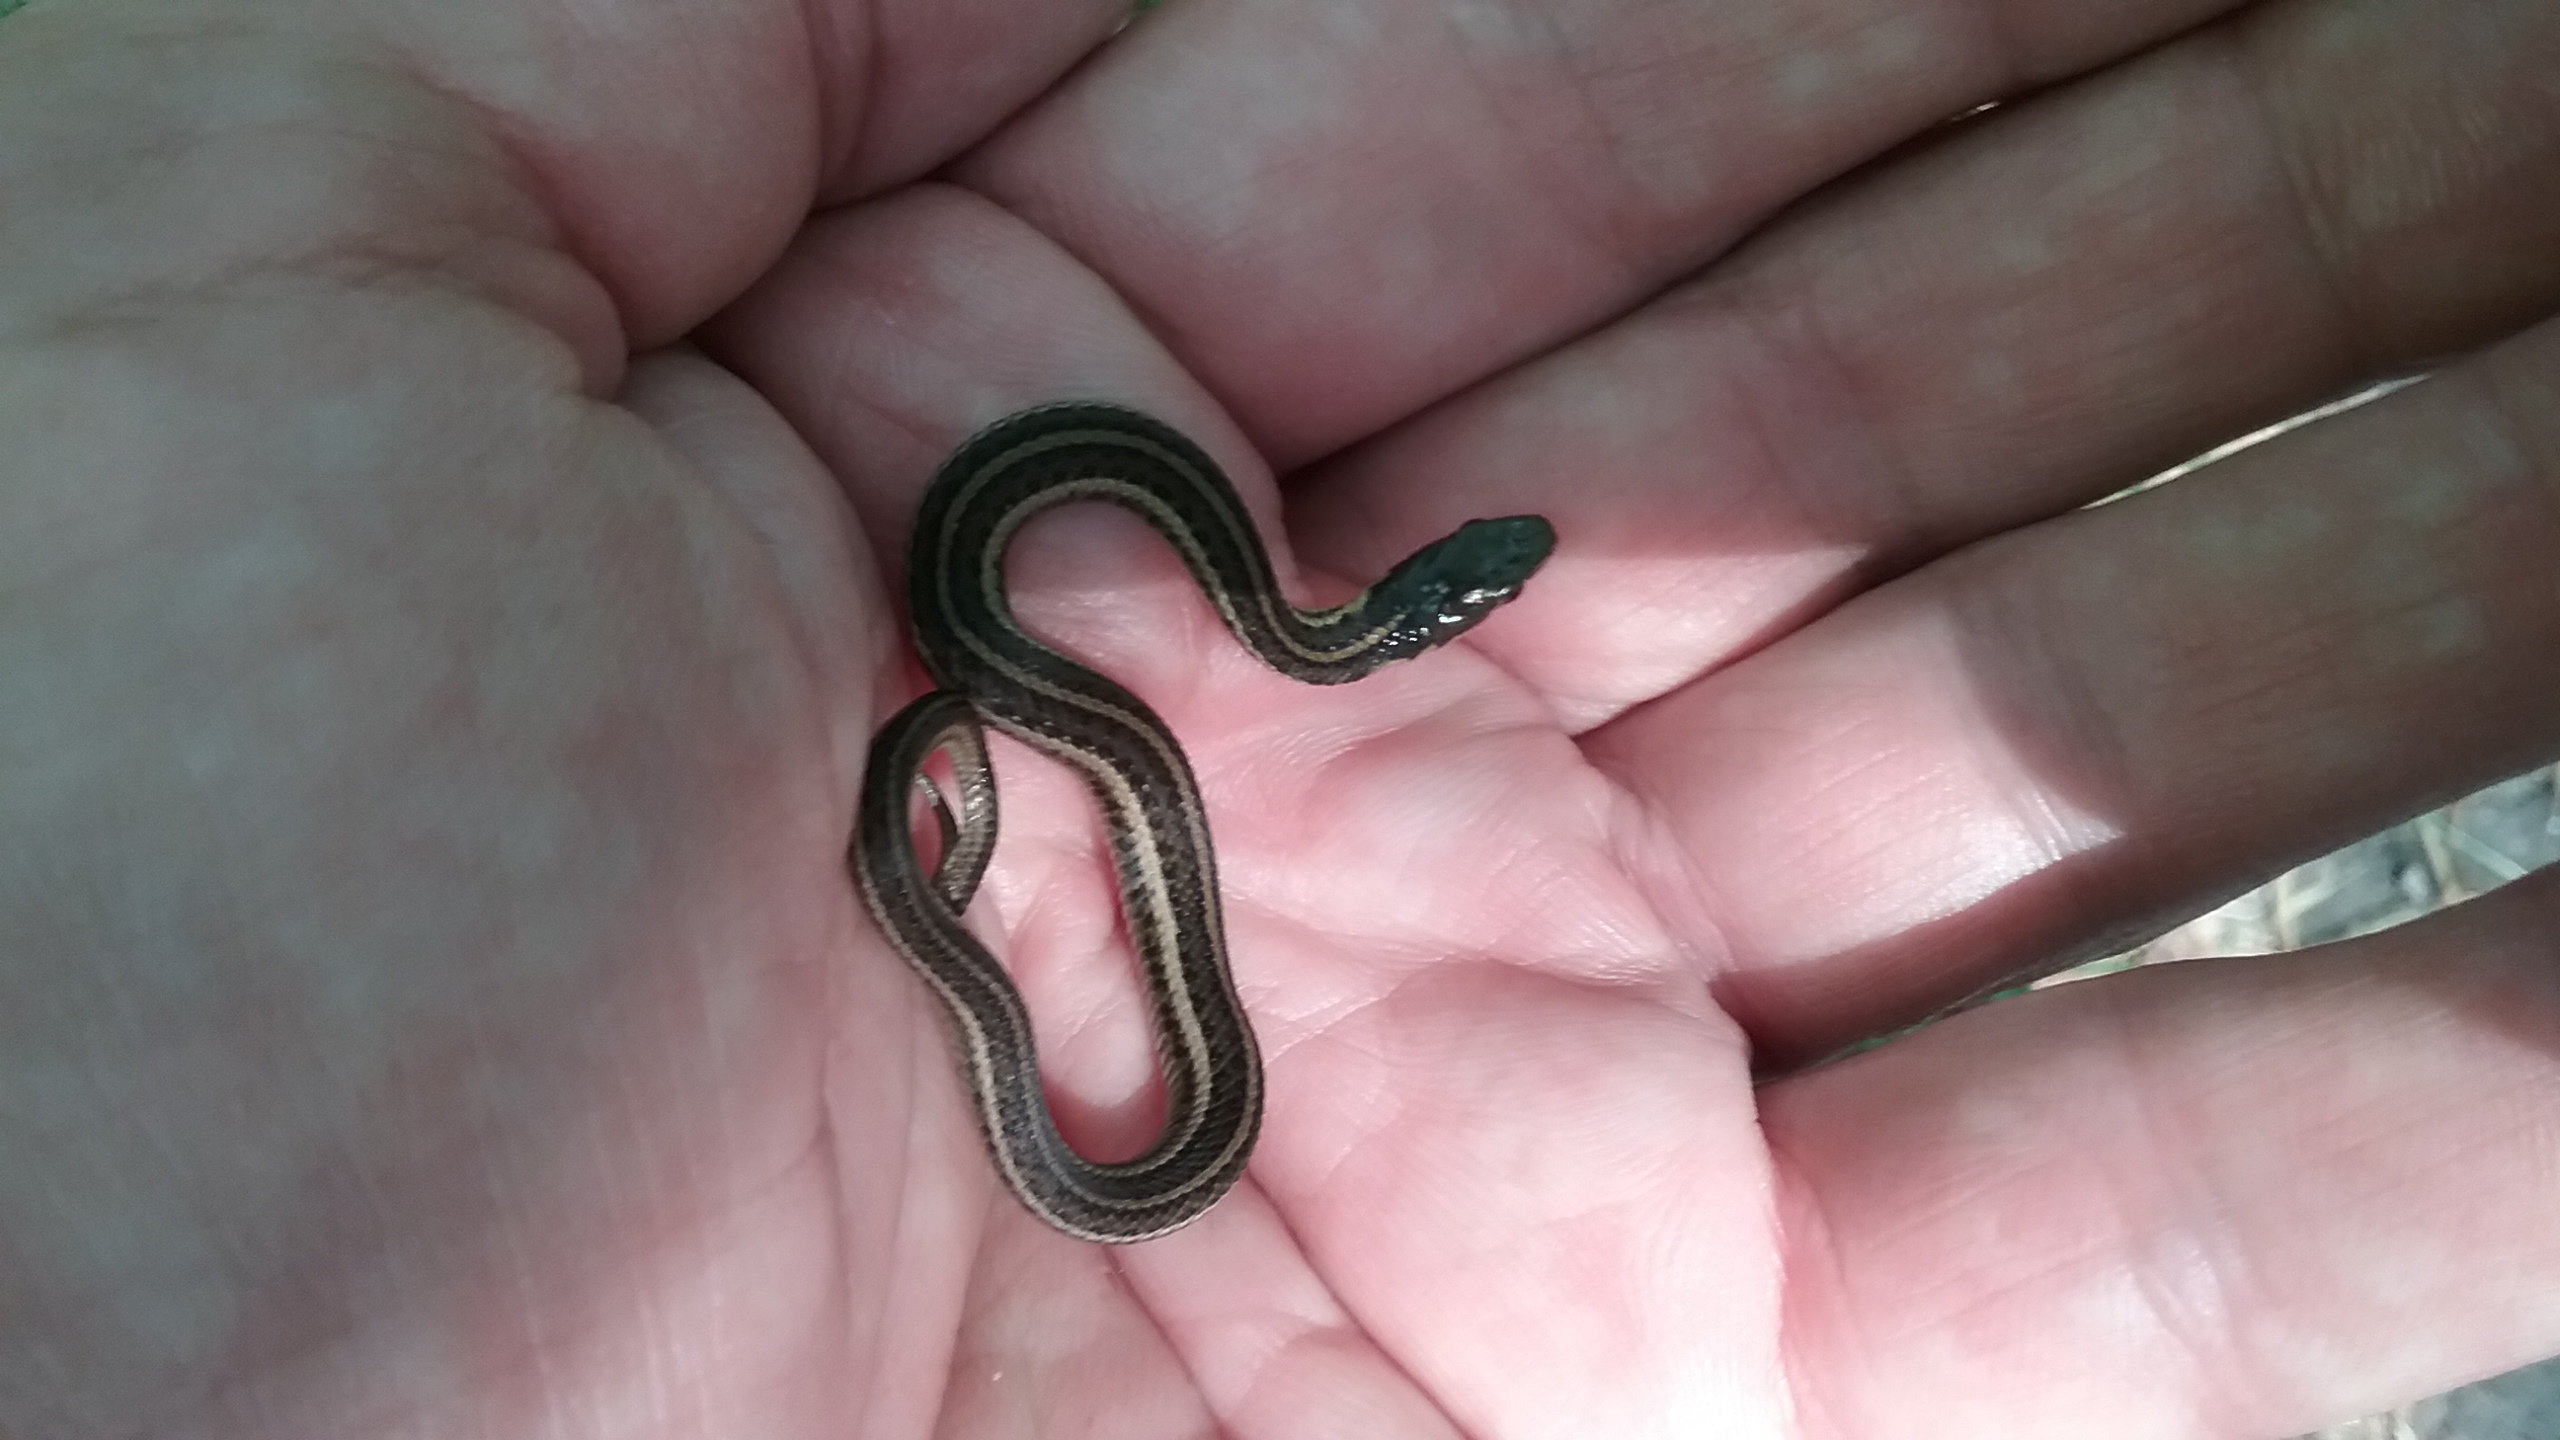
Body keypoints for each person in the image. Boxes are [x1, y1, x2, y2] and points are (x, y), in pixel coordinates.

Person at [4, 0, 2555, 1434]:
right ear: (1430, 613)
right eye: (1477, 586)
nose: (1478, 580)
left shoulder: (1245, 635)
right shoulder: (1154, 624)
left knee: (1116, 1003)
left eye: (1463, 592)